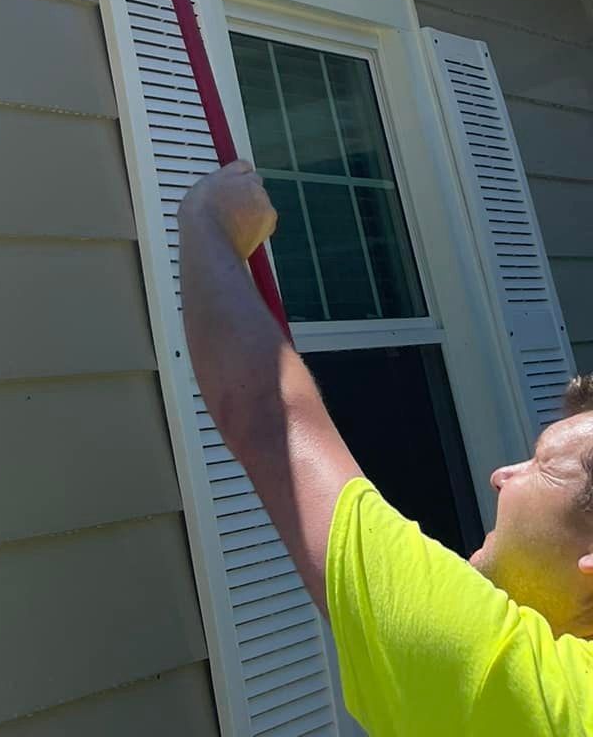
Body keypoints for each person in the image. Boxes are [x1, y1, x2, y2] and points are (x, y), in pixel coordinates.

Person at [180, 160, 593, 735]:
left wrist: (206, 219)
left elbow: (268, 417)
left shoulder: (526, 688)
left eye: (544, 466)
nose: (502, 474)